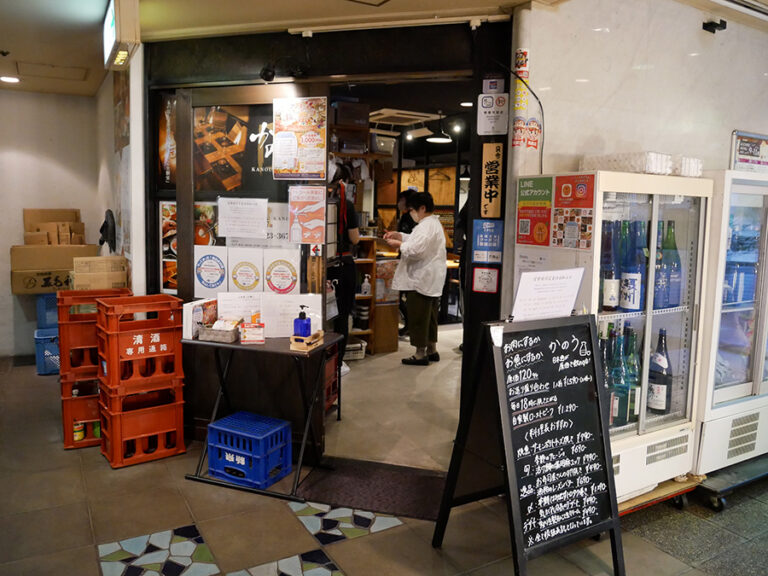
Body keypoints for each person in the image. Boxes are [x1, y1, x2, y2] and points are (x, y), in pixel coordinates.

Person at [384, 191, 447, 365]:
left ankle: (420, 354)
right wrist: (400, 236)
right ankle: (432, 350)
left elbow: (416, 250)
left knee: (419, 317)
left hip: (421, 279)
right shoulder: (432, 223)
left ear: (422, 208)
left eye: (412, 209)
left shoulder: (426, 226)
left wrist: (399, 244)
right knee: (430, 317)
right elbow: (416, 240)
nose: (411, 213)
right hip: (430, 279)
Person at [327, 183, 360, 376]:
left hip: (318, 266)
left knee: (321, 315)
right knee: (341, 316)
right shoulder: (345, 204)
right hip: (343, 265)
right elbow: (354, 238)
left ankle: (321, 361)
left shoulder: (309, 200)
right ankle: (337, 364)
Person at [396, 189, 417, 338]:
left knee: (399, 295)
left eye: (401, 200)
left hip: (407, 262)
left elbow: (408, 240)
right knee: (406, 296)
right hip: (410, 262)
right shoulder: (415, 218)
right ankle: (409, 325)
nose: (398, 203)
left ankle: (409, 325)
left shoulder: (407, 217)